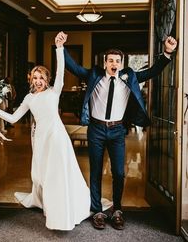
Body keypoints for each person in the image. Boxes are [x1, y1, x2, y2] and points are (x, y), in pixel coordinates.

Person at [55, 31, 177, 231]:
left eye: (117, 61)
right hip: (96, 129)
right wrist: (60, 47)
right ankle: (97, 212)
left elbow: (153, 71)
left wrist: (167, 53)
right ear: (105, 63)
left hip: (117, 130)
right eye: (110, 60)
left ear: (121, 63)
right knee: (95, 171)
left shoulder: (129, 77)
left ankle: (117, 210)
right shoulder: (94, 74)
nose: (114, 63)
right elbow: (74, 68)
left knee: (119, 173)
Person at [0, 40, 91, 231]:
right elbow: (13, 119)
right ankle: (48, 204)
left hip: (57, 139)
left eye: (41, 77)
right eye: (35, 77)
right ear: (31, 79)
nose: (38, 81)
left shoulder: (54, 92)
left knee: (57, 175)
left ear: (47, 79)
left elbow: (61, 71)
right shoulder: (29, 99)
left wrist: (59, 48)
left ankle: (59, 214)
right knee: (42, 175)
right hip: (41, 141)